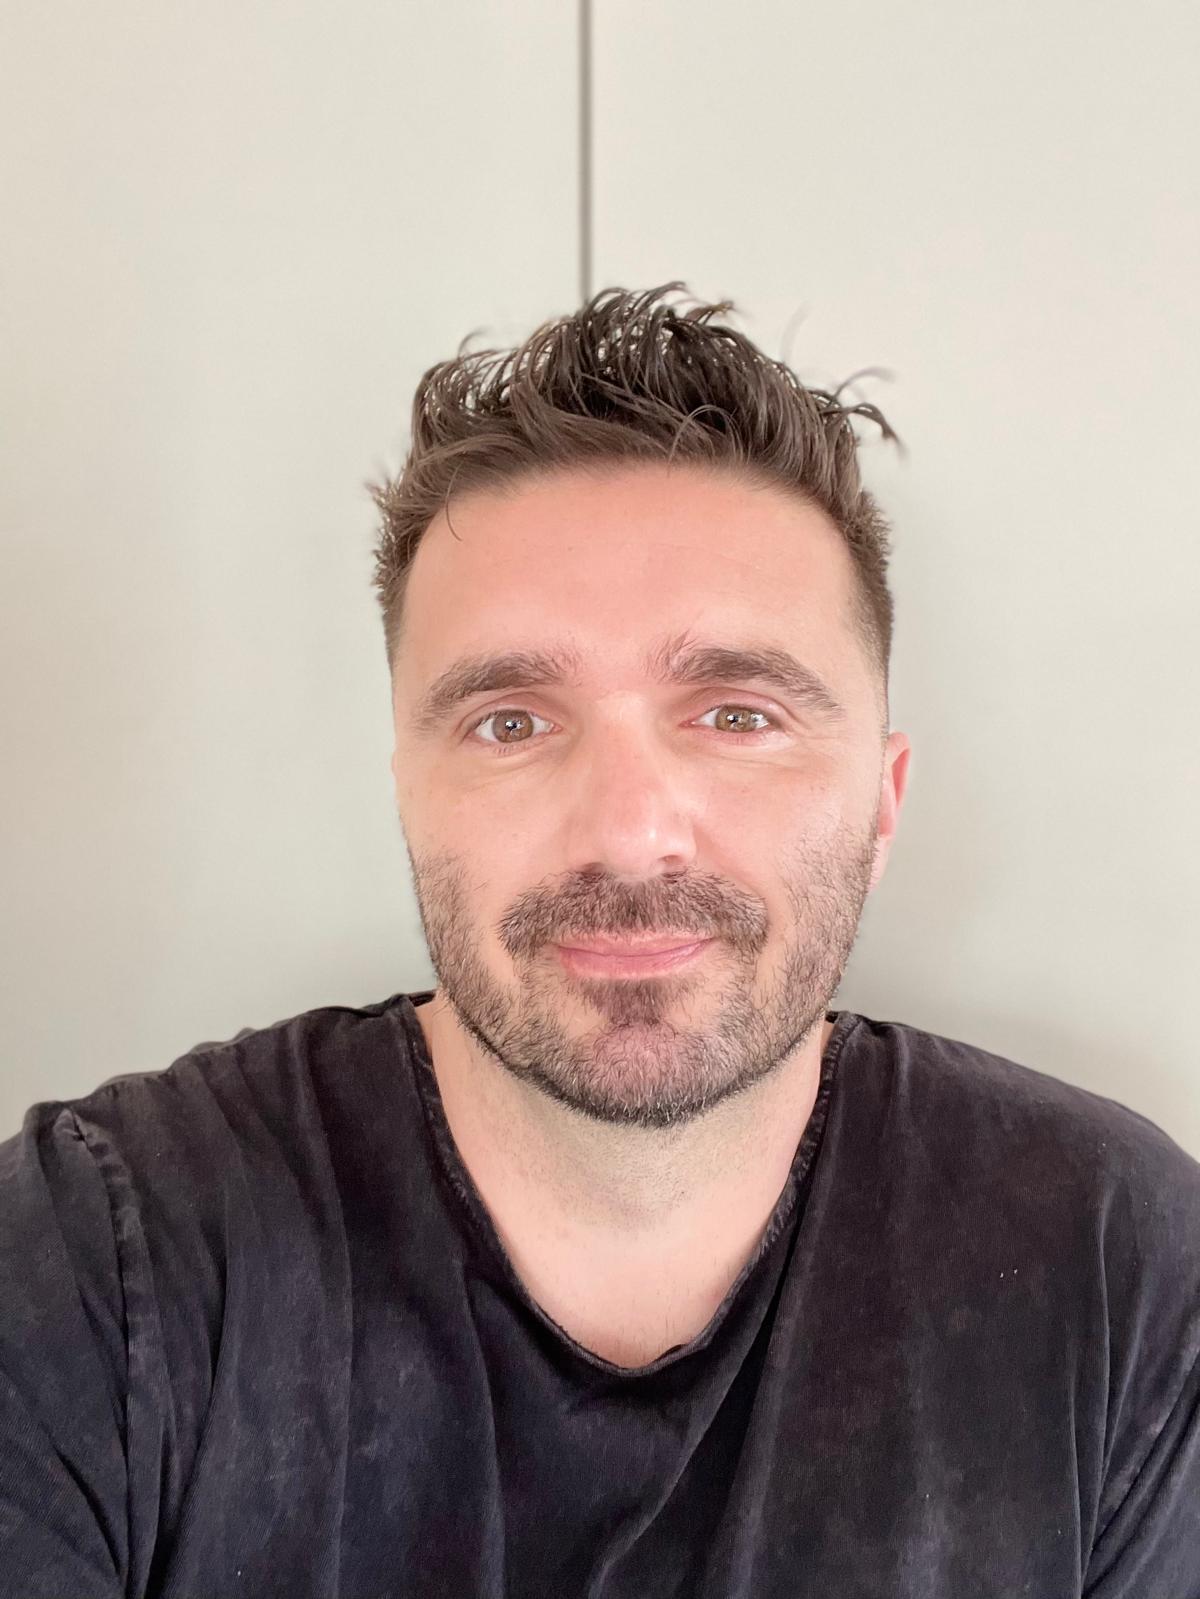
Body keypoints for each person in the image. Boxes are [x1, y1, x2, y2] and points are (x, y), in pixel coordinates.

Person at [1, 283, 1196, 1598]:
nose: (630, 835)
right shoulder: (99, 1265)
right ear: (409, 795)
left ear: (882, 801)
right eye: (510, 722)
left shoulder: (1116, 1268)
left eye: (737, 715)